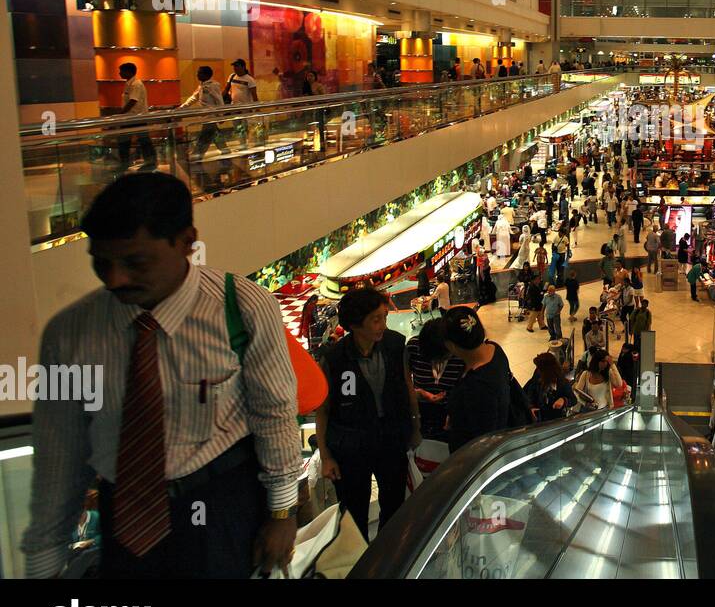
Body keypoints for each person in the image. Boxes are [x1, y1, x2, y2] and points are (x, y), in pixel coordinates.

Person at [21, 172, 300, 579]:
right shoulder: (71, 333)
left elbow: (274, 413)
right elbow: (59, 455)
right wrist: (44, 563)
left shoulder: (241, 307)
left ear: (187, 242)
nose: (115, 279)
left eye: (135, 262)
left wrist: (281, 512)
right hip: (126, 517)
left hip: (220, 504)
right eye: (102, 263)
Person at [317, 287, 420, 542]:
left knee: (395, 506)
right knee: (353, 514)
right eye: (375, 319)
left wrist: (415, 427)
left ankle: (388, 555)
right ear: (355, 324)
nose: (383, 325)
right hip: (351, 448)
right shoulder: (335, 358)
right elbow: (323, 410)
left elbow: (408, 387)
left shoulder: (395, 344)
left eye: (384, 317)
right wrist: (327, 456)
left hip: (391, 440)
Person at [421, 307, 513, 452]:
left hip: (472, 455)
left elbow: (482, 440)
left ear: (451, 346)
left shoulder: (476, 386)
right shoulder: (494, 349)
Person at [114, 62, 157, 172]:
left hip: (136, 118)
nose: (120, 73)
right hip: (130, 118)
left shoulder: (136, 84)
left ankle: (150, 162)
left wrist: (120, 114)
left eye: (121, 71)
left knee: (141, 140)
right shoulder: (129, 83)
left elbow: (133, 101)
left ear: (128, 72)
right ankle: (126, 163)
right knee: (127, 140)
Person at [179, 64, 225, 162]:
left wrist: (221, 116)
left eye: (199, 73)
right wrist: (182, 108)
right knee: (214, 133)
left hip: (210, 116)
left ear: (206, 75)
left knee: (205, 137)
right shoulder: (202, 85)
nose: (197, 75)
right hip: (205, 116)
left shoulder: (213, 85)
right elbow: (194, 97)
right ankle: (225, 149)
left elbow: (219, 100)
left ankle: (197, 155)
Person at [523, 352, 575, 422]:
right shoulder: (538, 372)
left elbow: (573, 400)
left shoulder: (563, 383)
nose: (539, 372)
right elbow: (531, 389)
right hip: (539, 416)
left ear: (548, 372)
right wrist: (531, 407)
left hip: (554, 419)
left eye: (541, 372)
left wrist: (563, 400)